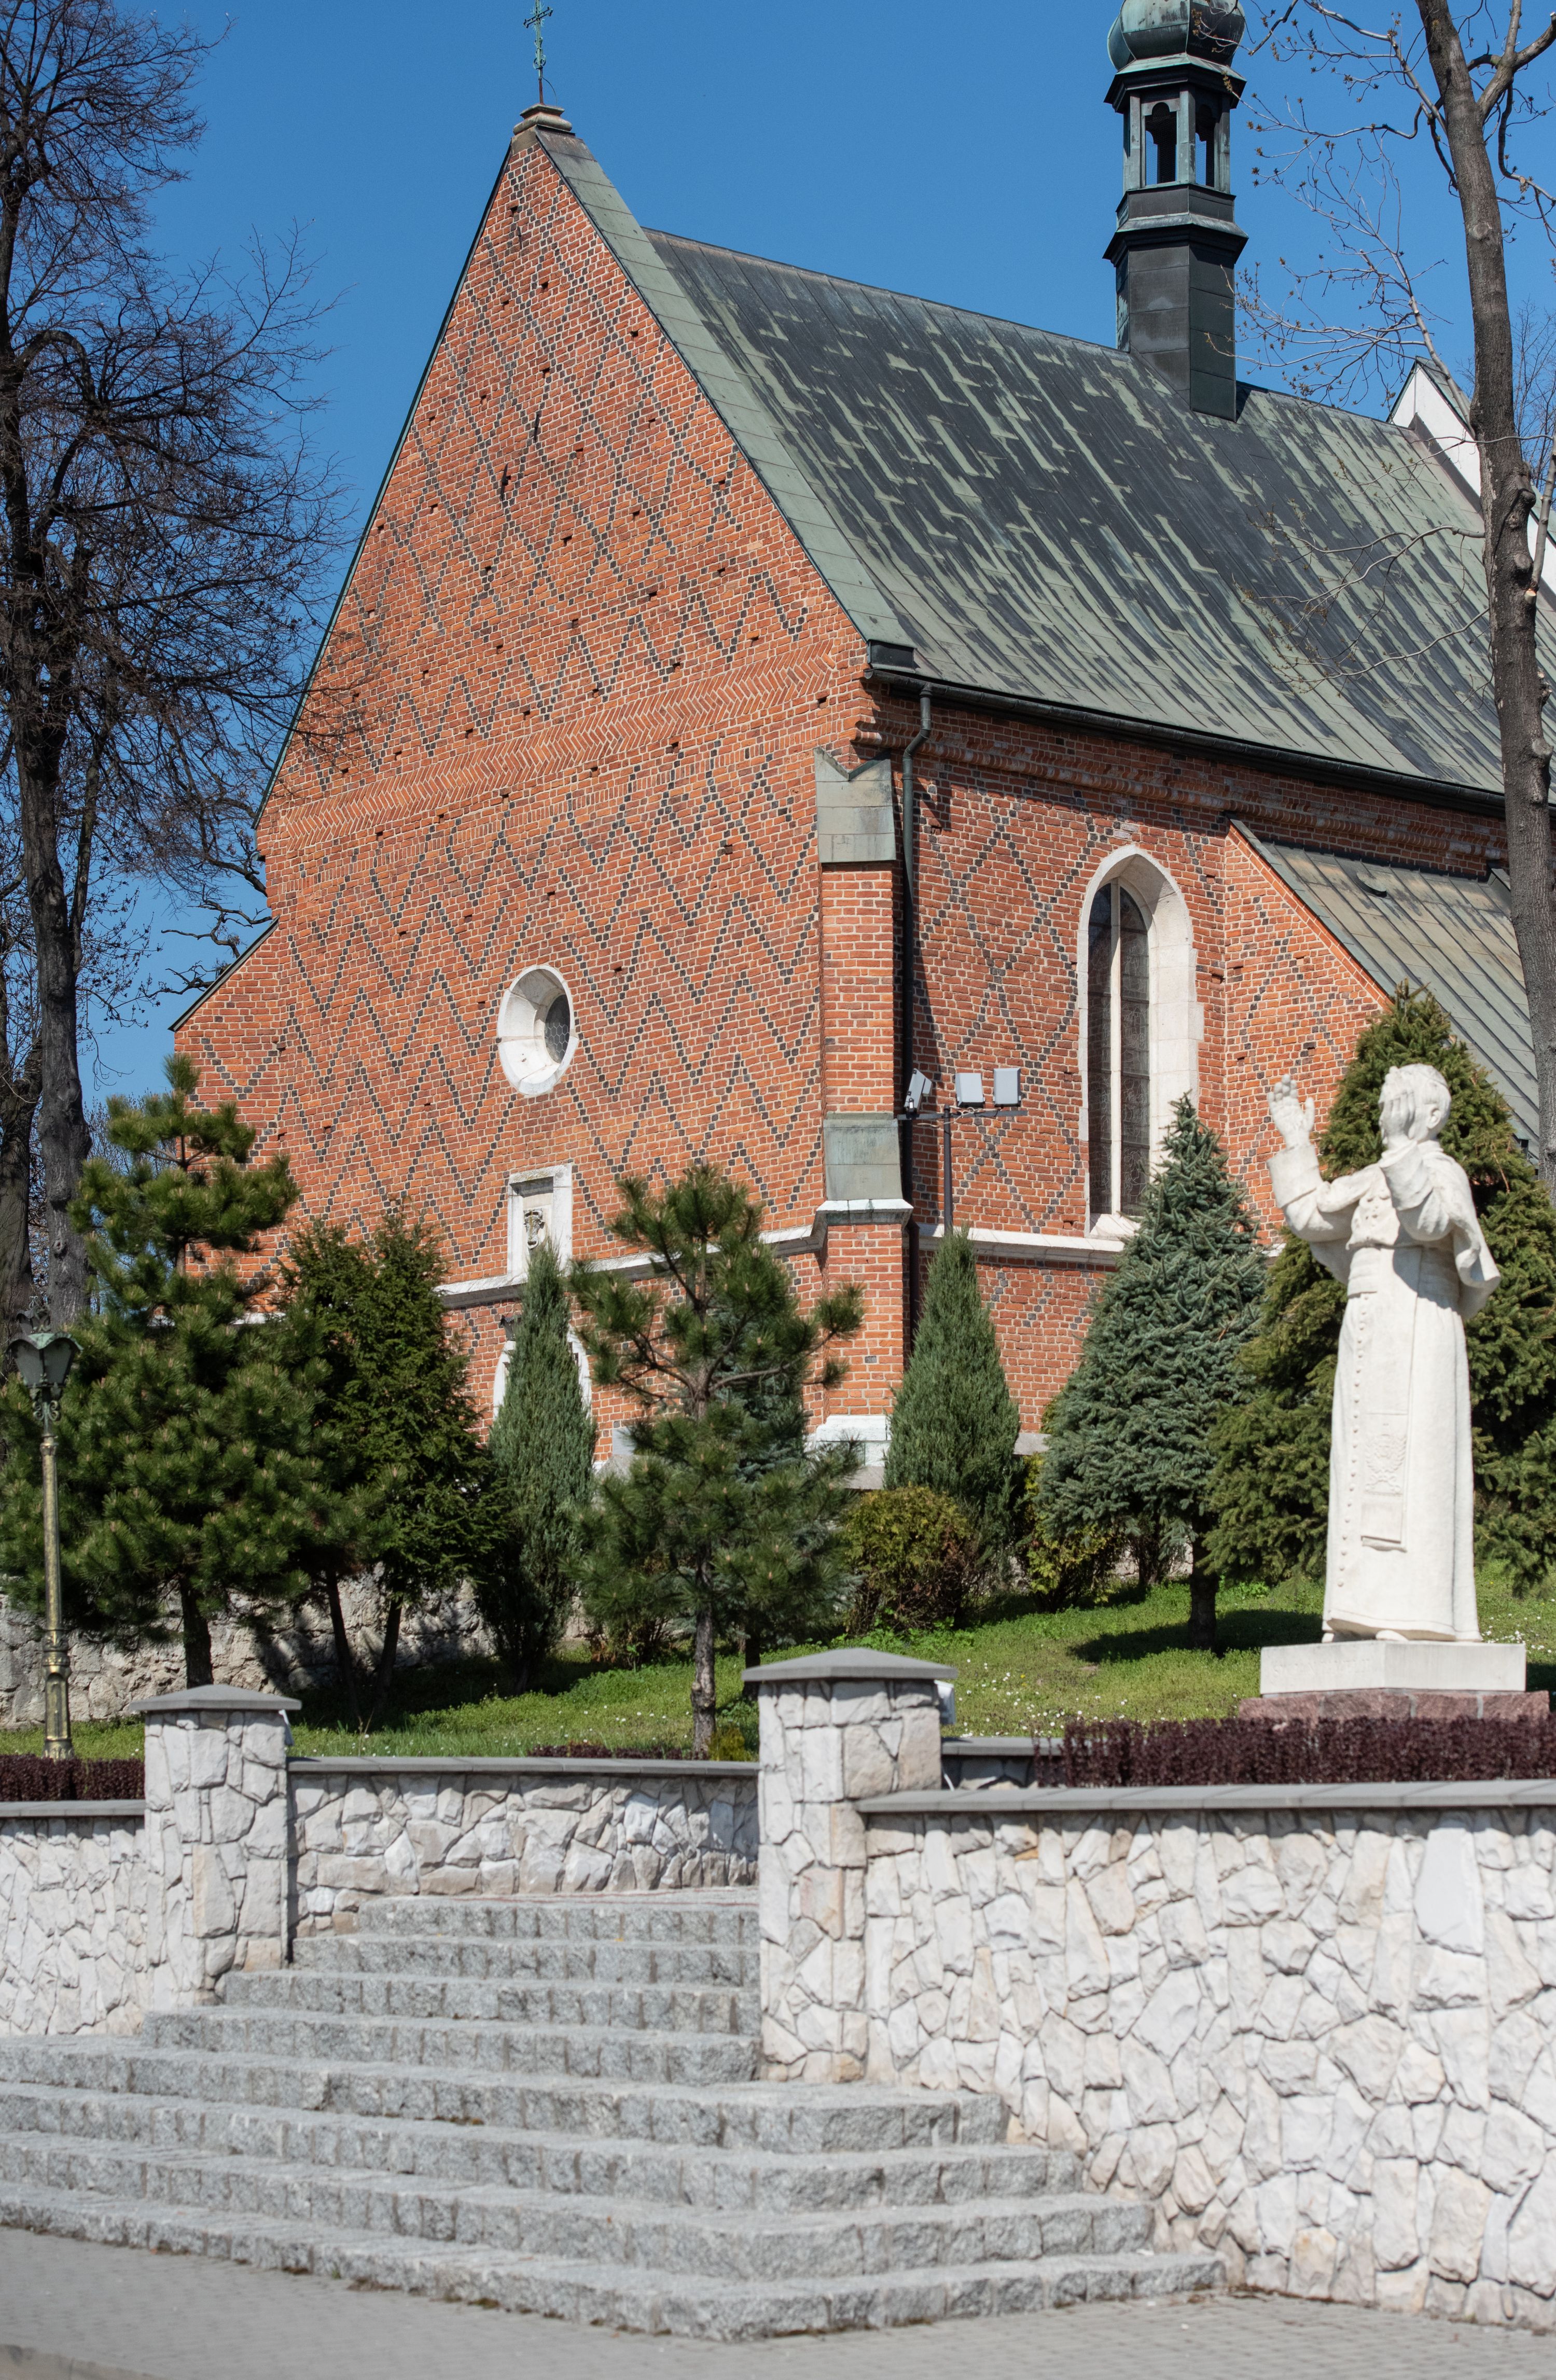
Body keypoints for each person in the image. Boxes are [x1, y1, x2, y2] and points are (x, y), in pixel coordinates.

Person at [1266, 1063, 1497, 1643]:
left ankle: (1413, 1615)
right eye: (1385, 1103)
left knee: (1411, 1467)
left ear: (1430, 1113)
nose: (1383, 1111)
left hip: (1417, 1322)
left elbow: (1428, 1221)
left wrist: (1399, 1147)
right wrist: (1297, 1141)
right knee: (1359, 1469)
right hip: (1368, 1329)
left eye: (1397, 1101)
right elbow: (1311, 1216)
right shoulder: (1375, 1175)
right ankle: (1359, 1611)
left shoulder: (1440, 1172)